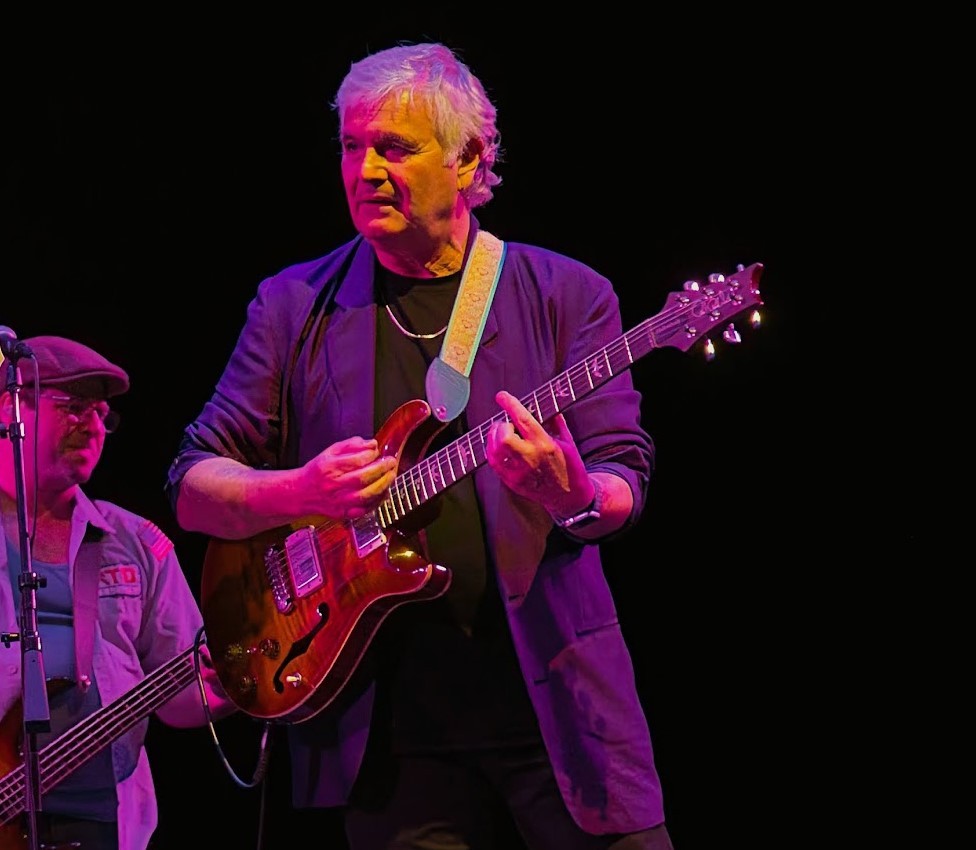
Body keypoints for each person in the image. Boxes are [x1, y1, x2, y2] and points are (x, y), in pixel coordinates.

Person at [165, 41, 673, 850]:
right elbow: (194, 484)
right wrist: (300, 491)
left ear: (469, 159)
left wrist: (572, 493)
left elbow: (623, 478)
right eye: (351, 146)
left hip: (559, 712)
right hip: (387, 738)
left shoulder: (568, 293)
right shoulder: (292, 305)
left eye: (394, 148)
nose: (365, 171)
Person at [0, 335, 236, 850]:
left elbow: (181, 700)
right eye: (74, 406)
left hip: (109, 828)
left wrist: (240, 681)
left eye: (102, 414)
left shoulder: (138, 542)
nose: (92, 426)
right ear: (9, 408)